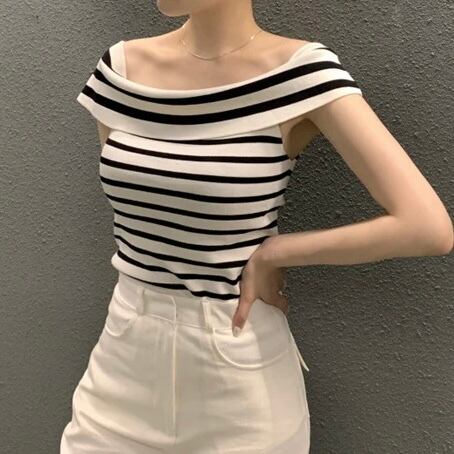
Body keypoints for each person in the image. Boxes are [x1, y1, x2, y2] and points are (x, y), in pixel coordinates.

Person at [60, 1, 453, 453]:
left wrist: (276, 253)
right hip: (123, 357)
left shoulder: (300, 71)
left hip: (237, 371)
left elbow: (426, 226)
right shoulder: (121, 70)